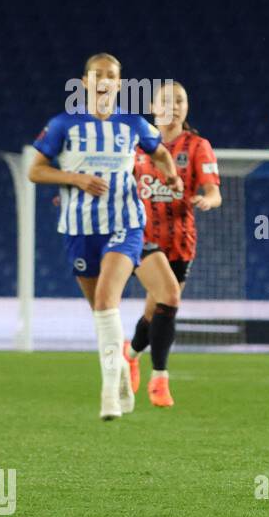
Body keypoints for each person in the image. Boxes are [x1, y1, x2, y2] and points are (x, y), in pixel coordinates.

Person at [28, 53, 184, 420]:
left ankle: (109, 394)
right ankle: (122, 379)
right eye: (98, 74)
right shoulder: (63, 124)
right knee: (101, 309)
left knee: (105, 299)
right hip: (80, 230)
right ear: (85, 82)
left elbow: (160, 153)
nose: (104, 80)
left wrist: (171, 175)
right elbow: (35, 171)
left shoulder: (131, 123)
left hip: (125, 223)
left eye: (111, 76)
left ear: (118, 84)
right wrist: (76, 179)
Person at [126, 81, 222, 407]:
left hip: (181, 241)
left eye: (180, 100)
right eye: (166, 100)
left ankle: (131, 353)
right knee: (170, 297)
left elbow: (213, 190)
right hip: (141, 237)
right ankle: (160, 380)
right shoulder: (136, 145)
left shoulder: (197, 146)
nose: (174, 106)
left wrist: (208, 199)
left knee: (158, 307)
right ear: (153, 107)